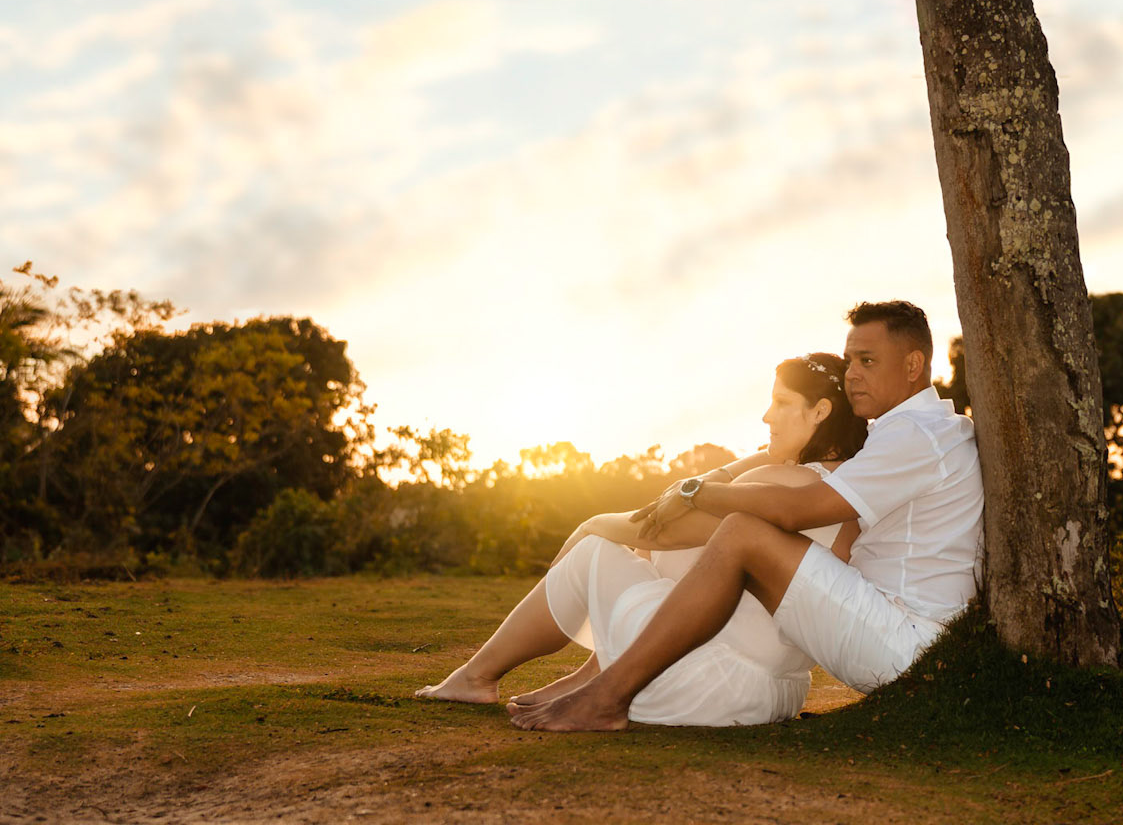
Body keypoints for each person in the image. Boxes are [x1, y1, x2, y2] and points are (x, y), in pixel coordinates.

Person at [509, 298, 983, 732]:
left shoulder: (917, 435)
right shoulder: (920, 429)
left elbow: (793, 510)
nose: (852, 373)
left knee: (741, 535)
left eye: (868, 360)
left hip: (907, 641)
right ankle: (605, 687)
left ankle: (607, 698)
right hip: (896, 628)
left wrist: (699, 492)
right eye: (851, 359)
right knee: (742, 533)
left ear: (914, 364)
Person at [415, 353, 866, 726]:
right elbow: (684, 505)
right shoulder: (841, 494)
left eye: (781, 402)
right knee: (661, 561)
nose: (767, 416)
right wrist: (758, 457)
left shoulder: (780, 482)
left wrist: (589, 524)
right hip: (770, 695)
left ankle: (477, 676)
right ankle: (584, 676)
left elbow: (661, 528)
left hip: (696, 684)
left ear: (820, 411)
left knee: (596, 550)